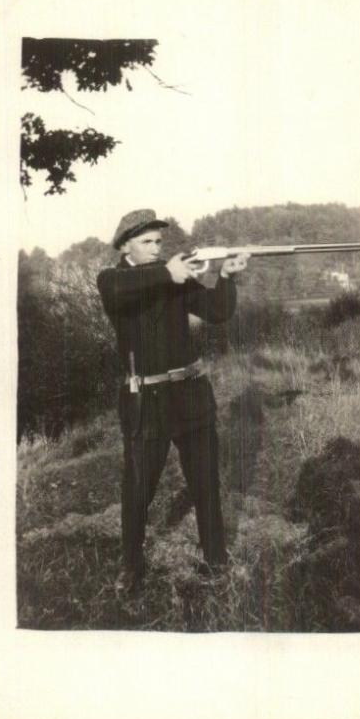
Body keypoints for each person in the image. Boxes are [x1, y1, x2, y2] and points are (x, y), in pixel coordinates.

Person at [97, 209, 249, 593]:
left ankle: (216, 560)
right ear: (125, 245)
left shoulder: (173, 276)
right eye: (146, 242)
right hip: (145, 402)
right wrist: (169, 273)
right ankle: (131, 567)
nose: (155, 248)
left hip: (190, 395)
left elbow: (217, 312)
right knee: (138, 490)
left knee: (206, 483)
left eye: (158, 242)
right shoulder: (113, 280)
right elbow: (120, 288)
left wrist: (227, 275)